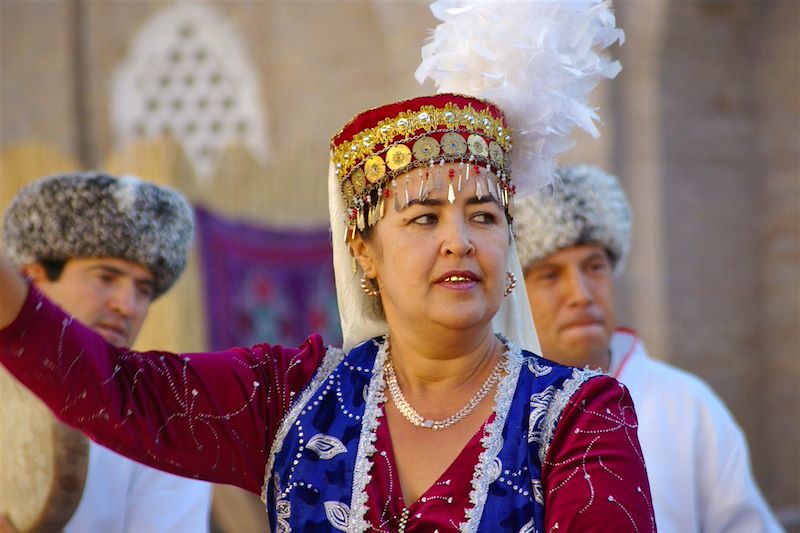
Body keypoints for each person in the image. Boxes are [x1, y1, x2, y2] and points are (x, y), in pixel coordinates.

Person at [0, 3, 654, 531]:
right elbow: (118, 390)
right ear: (363, 251)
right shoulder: (292, 398)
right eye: (424, 217)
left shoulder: (577, 417)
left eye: (483, 216)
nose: (459, 240)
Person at [515, 164, 784, 532]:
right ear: (517, 294)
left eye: (594, 267)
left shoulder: (688, 404)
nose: (580, 295)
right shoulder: (497, 409)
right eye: (550, 274)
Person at [0, 173, 212, 533]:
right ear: (32, 278)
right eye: (106, 277)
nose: (127, 306)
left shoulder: (166, 419)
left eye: (143, 289)